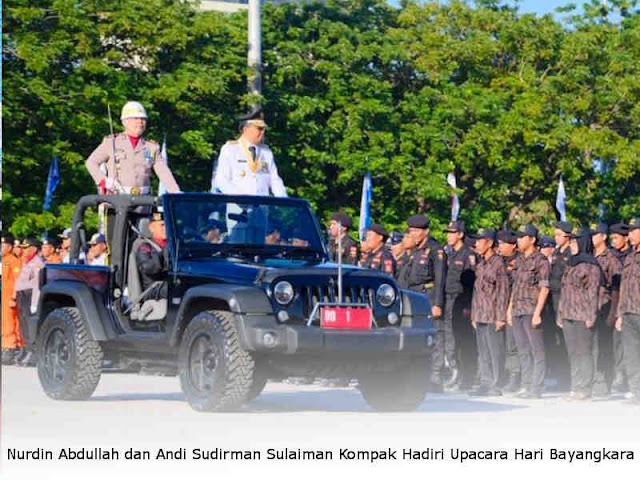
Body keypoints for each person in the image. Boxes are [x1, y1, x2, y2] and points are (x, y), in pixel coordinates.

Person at [86, 101, 181, 195]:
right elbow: (91, 162)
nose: (140, 122)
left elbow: (163, 172)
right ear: (125, 122)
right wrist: (104, 181)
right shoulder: (111, 143)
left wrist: (176, 192)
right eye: (135, 118)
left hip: (143, 204)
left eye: (143, 119)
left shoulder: (151, 147)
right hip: (116, 200)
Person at [558, 226, 603, 401]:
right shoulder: (571, 263)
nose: (572, 244)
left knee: (584, 352)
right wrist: (561, 313)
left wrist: (591, 315)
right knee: (572, 352)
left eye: (576, 240)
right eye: (571, 240)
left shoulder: (591, 265)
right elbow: (564, 289)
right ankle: (575, 385)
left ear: (584, 242)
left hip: (583, 315)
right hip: (568, 314)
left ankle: (585, 388)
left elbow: (593, 292)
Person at [402, 214, 447, 390]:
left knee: (433, 336)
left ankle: (436, 378)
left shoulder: (435, 249)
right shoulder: (416, 251)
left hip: (428, 295)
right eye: (411, 231)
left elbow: (441, 277)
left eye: (415, 231)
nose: (412, 234)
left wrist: (437, 303)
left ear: (425, 231)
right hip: (414, 294)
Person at [507, 224, 550, 398]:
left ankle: (536, 387)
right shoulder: (519, 260)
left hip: (531, 309)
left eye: (522, 236)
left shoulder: (541, 260)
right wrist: (509, 308)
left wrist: (538, 313)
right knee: (522, 350)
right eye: (518, 236)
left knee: (536, 350)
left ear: (532, 239)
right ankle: (526, 385)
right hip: (518, 308)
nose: (518, 240)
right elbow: (515, 286)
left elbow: (545, 288)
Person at [469, 228, 509, 396]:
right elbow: (476, 291)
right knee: (483, 351)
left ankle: (496, 383)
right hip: (480, 314)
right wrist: (473, 314)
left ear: (490, 243)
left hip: (493, 315)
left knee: (495, 351)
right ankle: (485, 382)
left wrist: (500, 317)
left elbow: (502, 291)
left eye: (480, 240)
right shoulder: (481, 264)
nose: (476, 243)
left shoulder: (498, 264)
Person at [213, 109, 287, 197]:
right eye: (259, 128)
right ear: (245, 129)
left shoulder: (266, 153)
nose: (262, 132)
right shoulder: (230, 149)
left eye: (263, 129)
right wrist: (239, 198)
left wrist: (283, 198)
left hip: (261, 207)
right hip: (237, 207)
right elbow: (222, 180)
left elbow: (275, 180)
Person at [443, 220, 477, 390]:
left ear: (460, 235)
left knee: (465, 341)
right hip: (449, 301)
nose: (448, 236)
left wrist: (469, 306)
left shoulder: (468, 255)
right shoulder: (449, 254)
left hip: (462, 301)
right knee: (452, 340)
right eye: (448, 232)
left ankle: (468, 376)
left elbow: (471, 282)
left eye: (452, 232)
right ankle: (458, 373)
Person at [590, 223, 623, 397]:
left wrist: (613, 312)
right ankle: (595, 378)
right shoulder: (589, 256)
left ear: (603, 236)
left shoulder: (611, 258)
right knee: (593, 346)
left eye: (595, 234)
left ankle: (605, 381)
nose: (592, 237)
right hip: (591, 308)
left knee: (604, 346)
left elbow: (616, 288)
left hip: (606, 306)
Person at [616, 218, 640, 404]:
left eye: (633, 231)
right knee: (631, 354)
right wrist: (619, 313)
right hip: (629, 312)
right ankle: (636, 391)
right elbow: (624, 286)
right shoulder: (631, 256)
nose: (629, 235)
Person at [548, 221, 573, 390]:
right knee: (556, 341)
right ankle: (561, 377)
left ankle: (569, 379)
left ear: (567, 236)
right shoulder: (557, 252)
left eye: (558, 234)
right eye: (555, 234)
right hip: (553, 300)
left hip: (565, 299)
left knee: (567, 341)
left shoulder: (571, 253)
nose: (556, 238)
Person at [13, 238, 45, 366]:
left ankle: (33, 352)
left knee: (30, 325)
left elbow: (37, 285)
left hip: (29, 295)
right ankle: (27, 349)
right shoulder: (27, 261)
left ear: (34, 249)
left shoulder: (38, 263)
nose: (24, 250)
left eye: (26, 247)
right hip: (22, 295)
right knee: (23, 325)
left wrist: (34, 303)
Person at [497, 229, 522, 392]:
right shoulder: (499, 261)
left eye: (502, 244)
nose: (499, 247)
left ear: (512, 246)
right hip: (498, 308)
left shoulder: (519, 262)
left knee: (513, 345)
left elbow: (517, 287)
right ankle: (504, 375)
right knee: (502, 345)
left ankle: (515, 377)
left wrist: (509, 309)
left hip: (512, 308)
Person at [610, 222, 631, 392]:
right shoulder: (612, 256)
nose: (613, 241)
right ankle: (620, 374)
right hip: (616, 303)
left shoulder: (631, 256)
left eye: (616, 238)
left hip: (631, 304)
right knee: (618, 343)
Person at [2, 235, 25, 365]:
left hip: (9, 297)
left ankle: (10, 349)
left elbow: (18, 280)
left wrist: (13, 297)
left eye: (3, 245)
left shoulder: (13, 260)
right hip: (3, 296)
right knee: (5, 322)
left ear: (10, 247)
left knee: (10, 323)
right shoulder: (3, 260)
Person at [136, 213, 168, 299]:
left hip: (168, 283)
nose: (166, 228)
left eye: (167, 225)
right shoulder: (145, 247)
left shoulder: (172, 245)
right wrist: (163, 254)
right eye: (162, 225)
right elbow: (149, 268)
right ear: (152, 228)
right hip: (153, 288)